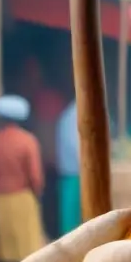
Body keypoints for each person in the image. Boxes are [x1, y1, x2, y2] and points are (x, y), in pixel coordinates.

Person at [0, 95, 45, 262]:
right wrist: (37, 195)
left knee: (3, 250)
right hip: (22, 198)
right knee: (26, 250)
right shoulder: (28, 141)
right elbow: (35, 177)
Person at [21, 56, 67, 239]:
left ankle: (54, 231)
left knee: (51, 199)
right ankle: (50, 231)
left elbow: (50, 129)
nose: (30, 77)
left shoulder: (48, 97)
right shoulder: (35, 97)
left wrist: (52, 155)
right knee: (48, 199)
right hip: (43, 158)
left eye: (32, 73)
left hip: (51, 158)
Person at [56, 100, 82, 236]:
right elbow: (75, 146)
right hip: (74, 172)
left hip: (73, 171)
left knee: (72, 213)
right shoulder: (74, 116)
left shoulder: (71, 114)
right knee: (72, 215)